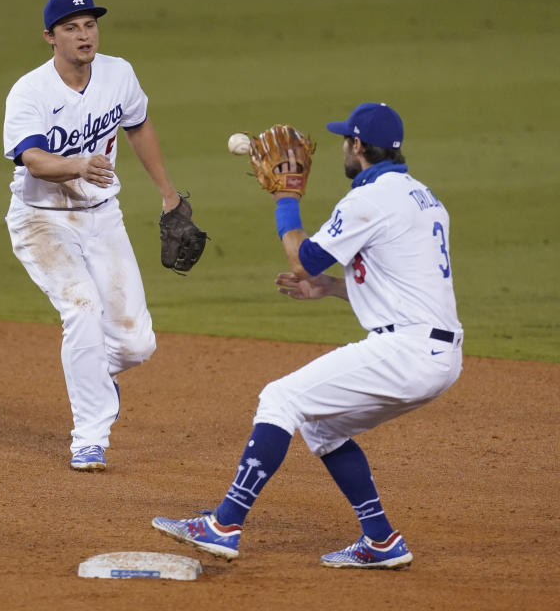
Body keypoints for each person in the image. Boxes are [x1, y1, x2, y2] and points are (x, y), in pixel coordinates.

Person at [152, 102, 463, 568]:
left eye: (345, 140)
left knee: (279, 398)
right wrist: (333, 288)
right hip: (438, 352)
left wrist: (286, 197)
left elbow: (303, 258)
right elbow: (406, 283)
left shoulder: (370, 199)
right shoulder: (423, 196)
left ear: (357, 146)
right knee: (323, 427)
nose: (343, 147)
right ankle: (380, 540)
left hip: (407, 350)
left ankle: (225, 523)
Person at [3, 0, 185, 471]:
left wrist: (168, 193)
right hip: (41, 220)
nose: (84, 35)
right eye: (71, 27)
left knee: (136, 344)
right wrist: (79, 164)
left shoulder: (118, 73)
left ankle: (92, 377)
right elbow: (34, 160)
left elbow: (139, 126)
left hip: (102, 216)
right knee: (82, 309)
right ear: (50, 37)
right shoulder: (31, 92)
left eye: (89, 25)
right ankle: (90, 437)